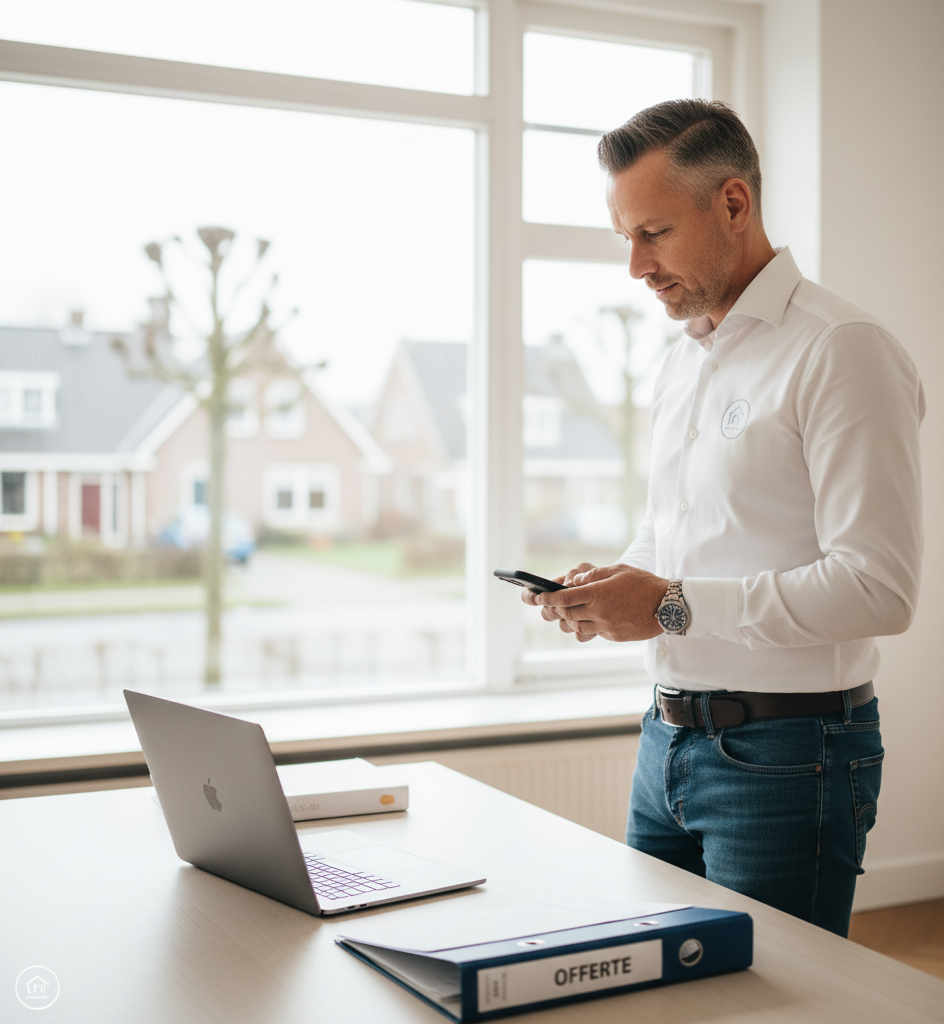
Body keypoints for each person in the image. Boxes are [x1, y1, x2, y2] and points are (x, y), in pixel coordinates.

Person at [522, 99, 924, 937]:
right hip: (665, 742)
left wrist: (669, 602)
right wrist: (613, 584)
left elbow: (879, 588)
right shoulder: (683, 359)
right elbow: (671, 538)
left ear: (734, 204)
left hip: (788, 758)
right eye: (624, 238)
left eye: (654, 233)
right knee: (655, 992)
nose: (635, 266)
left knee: (773, 1002)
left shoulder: (840, 348)